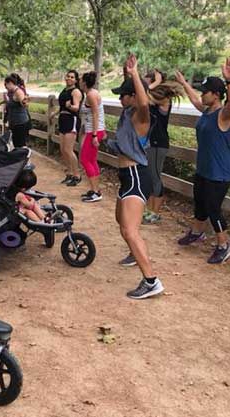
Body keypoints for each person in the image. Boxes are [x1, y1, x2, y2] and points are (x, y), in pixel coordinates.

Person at [174, 58, 230, 264]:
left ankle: (223, 245)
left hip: (219, 173)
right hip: (204, 170)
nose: (202, 95)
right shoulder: (207, 111)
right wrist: (184, 84)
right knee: (200, 204)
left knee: (213, 208)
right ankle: (197, 233)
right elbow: (195, 100)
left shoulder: (224, 114)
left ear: (216, 95)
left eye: (205, 92)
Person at [111, 53, 164, 300]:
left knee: (130, 230)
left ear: (132, 96)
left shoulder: (141, 116)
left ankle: (151, 280)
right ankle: (136, 251)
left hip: (135, 175)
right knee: (122, 223)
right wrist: (128, 73)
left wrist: (134, 75)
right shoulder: (125, 114)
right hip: (126, 175)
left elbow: (143, 102)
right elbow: (135, 94)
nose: (119, 98)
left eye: (123, 94)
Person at [143, 78, 183, 224]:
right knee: (150, 176)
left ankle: (155, 212)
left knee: (155, 176)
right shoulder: (155, 98)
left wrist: (153, 83)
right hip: (151, 143)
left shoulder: (163, 100)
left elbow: (145, 94)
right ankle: (149, 210)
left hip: (158, 144)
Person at [79, 71, 106, 202]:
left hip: (94, 132)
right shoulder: (89, 94)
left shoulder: (91, 94)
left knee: (85, 159)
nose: (79, 81)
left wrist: (95, 134)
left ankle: (96, 191)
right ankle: (95, 189)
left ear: (84, 82)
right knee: (92, 160)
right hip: (93, 130)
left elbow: (96, 114)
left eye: (80, 79)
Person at [56, 70, 83, 186]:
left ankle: (77, 175)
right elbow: (62, 105)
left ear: (76, 80)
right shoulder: (65, 90)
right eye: (68, 76)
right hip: (62, 119)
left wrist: (70, 106)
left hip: (71, 119)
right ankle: (70, 173)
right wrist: (55, 113)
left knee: (68, 149)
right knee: (62, 149)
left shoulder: (76, 91)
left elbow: (76, 107)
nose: (69, 78)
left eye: (72, 77)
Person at [3, 73, 31, 148]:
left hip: (20, 122)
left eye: (6, 85)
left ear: (10, 83)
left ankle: (24, 158)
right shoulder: (11, 93)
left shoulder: (18, 92)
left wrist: (25, 101)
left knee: (20, 144)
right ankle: (19, 158)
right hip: (14, 123)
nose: (6, 87)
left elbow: (24, 104)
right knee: (16, 143)